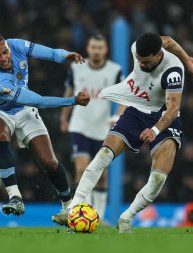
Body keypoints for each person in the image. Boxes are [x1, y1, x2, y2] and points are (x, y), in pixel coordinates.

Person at [52, 33, 193, 233]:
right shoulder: (137, 48)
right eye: (139, 61)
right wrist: (188, 59)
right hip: (136, 108)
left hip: (164, 118)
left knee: (159, 177)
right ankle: (73, 209)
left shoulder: (173, 72)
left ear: (159, 55)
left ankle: (126, 218)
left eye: (146, 62)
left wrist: (154, 130)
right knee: (104, 154)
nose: (141, 65)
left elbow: (172, 109)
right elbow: (168, 40)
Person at [0, 33, 90, 216]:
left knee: (49, 162)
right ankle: (15, 197)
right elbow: (39, 101)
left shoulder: (17, 45)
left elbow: (51, 53)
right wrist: (72, 101)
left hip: (23, 108)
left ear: (7, 45)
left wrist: (66, 55)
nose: (3, 58)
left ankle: (68, 206)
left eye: (4, 52)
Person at [60, 34, 123, 222]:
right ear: (88, 49)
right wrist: (65, 117)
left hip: (102, 129)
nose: (96, 51)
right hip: (79, 125)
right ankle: (82, 215)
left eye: (100, 48)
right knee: (82, 170)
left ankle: (100, 217)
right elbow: (69, 91)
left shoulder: (115, 70)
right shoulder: (76, 68)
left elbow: (124, 96)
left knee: (102, 176)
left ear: (106, 50)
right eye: (93, 47)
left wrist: (119, 115)